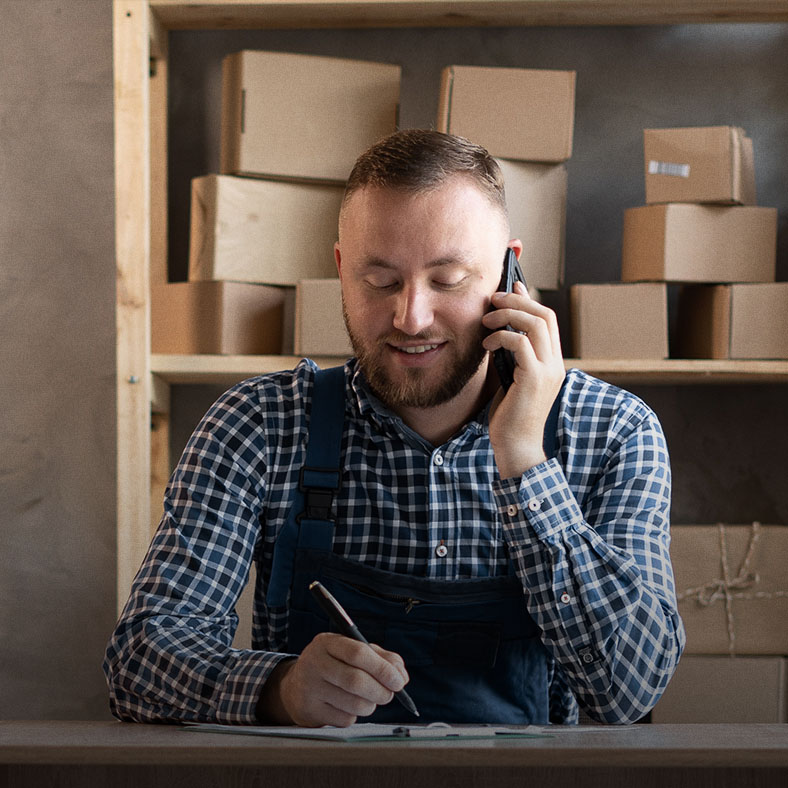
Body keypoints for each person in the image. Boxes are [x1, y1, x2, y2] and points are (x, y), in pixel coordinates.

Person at [104, 129, 684, 727]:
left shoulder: (615, 430)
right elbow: (140, 664)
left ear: (512, 274)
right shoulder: (259, 425)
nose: (411, 317)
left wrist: (524, 461)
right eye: (379, 281)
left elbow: (629, 692)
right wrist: (279, 689)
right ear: (339, 270)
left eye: (449, 279)